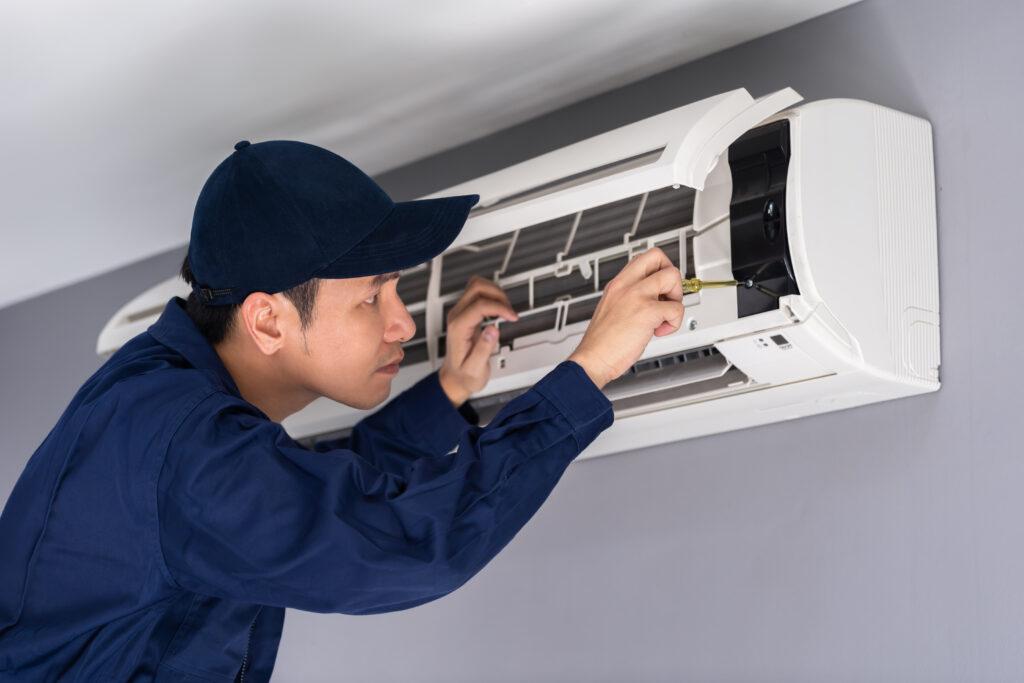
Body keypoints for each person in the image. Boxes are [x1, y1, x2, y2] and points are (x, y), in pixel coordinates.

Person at [0, 140, 684, 681]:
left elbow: (303, 501)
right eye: (372, 297)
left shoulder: (162, 404)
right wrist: (588, 369)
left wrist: (447, 391)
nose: (403, 324)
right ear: (266, 320)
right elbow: (402, 544)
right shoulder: (183, 450)